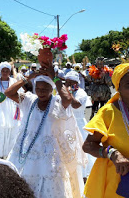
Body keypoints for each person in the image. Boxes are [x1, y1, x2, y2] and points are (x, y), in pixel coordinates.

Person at [5, 63, 86, 197]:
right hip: (26, 151)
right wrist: (28, 77)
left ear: (52, 89)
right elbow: (8, 93)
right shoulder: (29, 100)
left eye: (45, 88)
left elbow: (68, 98)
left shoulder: (58, 102)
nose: (41, 92)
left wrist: (54, 77)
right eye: (38, 88)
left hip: (49, 156)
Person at [82, 63, 129, 198]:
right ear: (119, 88)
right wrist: (112, 153)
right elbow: (88, 146)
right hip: (120, 180)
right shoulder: (109, 112)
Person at [65, 71, 95, 182]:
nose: (68, 84)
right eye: (66, 82)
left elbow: (76, 105)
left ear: (76, 83)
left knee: (79, 148)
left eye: (71, 82)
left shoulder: (81, 93)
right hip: (66, 123)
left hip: (78, 123)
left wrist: (69, 93)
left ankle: (81, 173)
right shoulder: (63, 92)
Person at [0, 61, 21, 158]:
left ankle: (9, 154)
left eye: (7, 70)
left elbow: (20, 94)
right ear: (0, 71)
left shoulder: (14, 82)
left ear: (10, 72)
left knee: (11, 130)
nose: (5, 72)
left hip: (11, 109)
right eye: (3, 70)